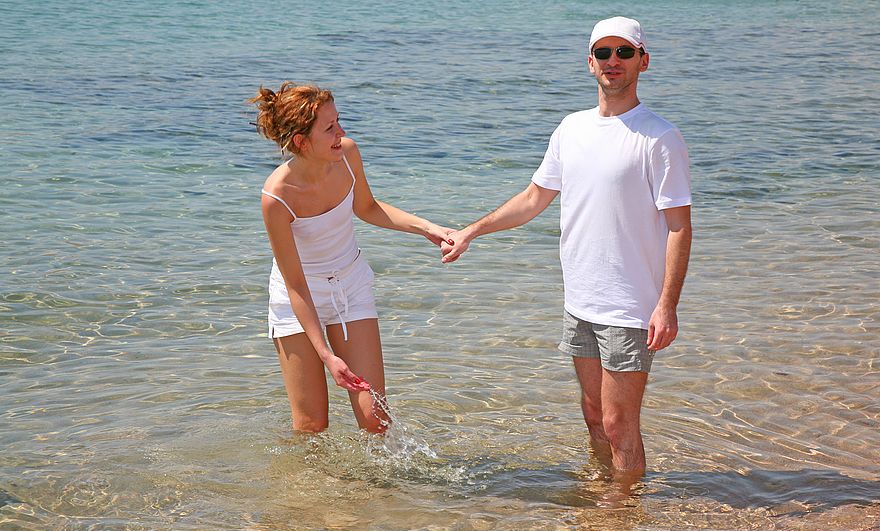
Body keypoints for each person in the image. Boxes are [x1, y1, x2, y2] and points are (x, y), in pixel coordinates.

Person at [440, 17, 692, 475]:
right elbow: (534, 198)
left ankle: (621, 519)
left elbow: (679, 226)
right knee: (594, 417)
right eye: (603, 53)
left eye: (624, 52)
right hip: (580, 302)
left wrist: (666, 305)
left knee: (619, 425)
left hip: (630, 308)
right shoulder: (571, 128)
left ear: (643, 61)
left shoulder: (660, 137)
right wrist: (471, 231)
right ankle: (604, 494)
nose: (612, 62)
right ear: (589, 62)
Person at [250, 83, 452, 433]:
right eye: (329, 128)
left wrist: (426, 228)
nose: (341, 134)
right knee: (312, 425)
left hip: (351, 286)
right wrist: (327, 355)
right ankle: (308, 489)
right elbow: (295, 285)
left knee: (377, 418)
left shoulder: (346, 154)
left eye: (338, 122)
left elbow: (368, 207)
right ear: (301, 141)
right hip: (298, 299)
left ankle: (376, 489)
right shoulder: (277, 197)